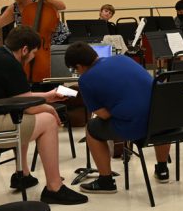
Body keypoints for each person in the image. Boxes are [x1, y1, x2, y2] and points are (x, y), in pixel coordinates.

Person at [0, 25, 88, 205]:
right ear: (25, 49)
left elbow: (18, 98)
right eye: (34, 53)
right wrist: (50, 109)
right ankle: (54, 187)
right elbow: (28, 107)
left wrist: (47, 96)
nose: (34, 57)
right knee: (48, 121)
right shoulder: (10, 64)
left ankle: (23, 174)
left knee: (20, 117)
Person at [64, 42, 171, 193]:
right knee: (154, 113)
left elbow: (105, 115)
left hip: (137, 127)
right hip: (166, 120)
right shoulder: (122, 58)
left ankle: (105, 181)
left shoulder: (85, 80)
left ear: (79, 67)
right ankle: (162, 169)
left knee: (92, 129)